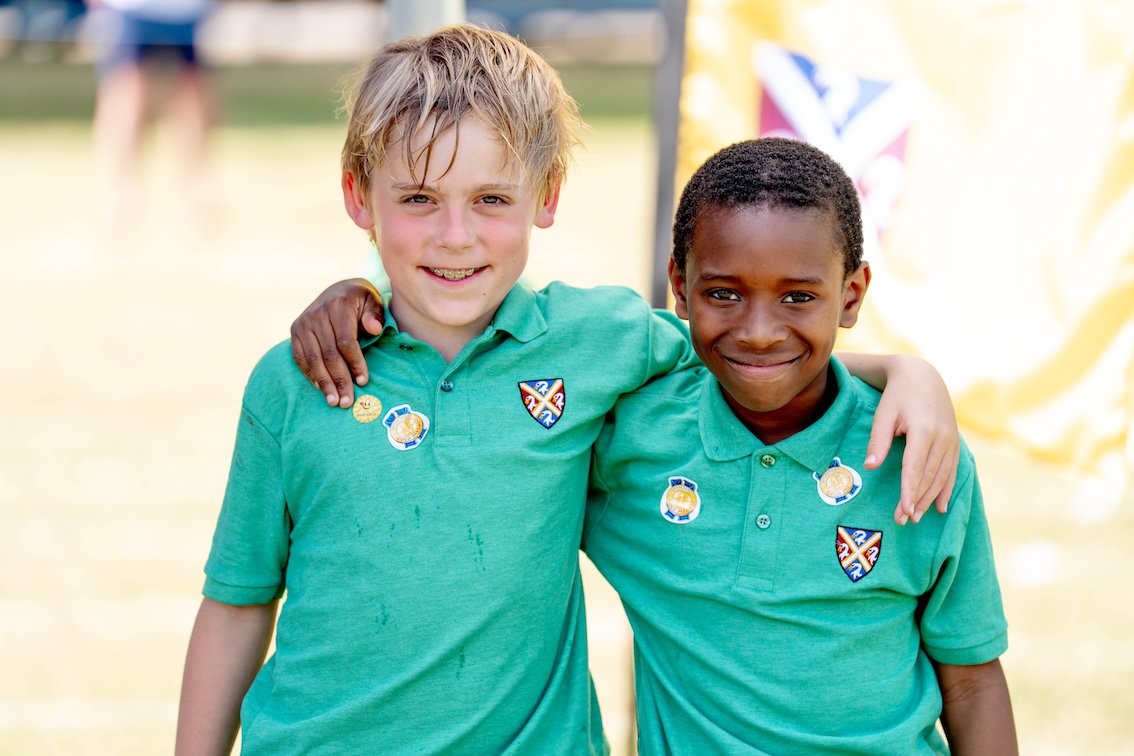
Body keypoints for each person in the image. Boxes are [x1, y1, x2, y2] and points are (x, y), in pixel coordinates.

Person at [178, 25, 959, 755]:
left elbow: (748, 352)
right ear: (359, 197)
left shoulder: (601, 341)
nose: (456, 235)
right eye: (417, 198)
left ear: (545, 196)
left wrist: (902, 371)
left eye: (491, 199)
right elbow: (238, 602)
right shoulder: (296, 380)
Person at [579, 137, 1016, 752]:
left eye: (798, 297)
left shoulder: (917, 450)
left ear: (852, 295)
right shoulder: (631, 445)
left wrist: (906, 371)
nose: (759, 333)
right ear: (679, 286)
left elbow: (971, 682)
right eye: (723, 293)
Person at [89, 0, 214, 235]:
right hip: (131, 7)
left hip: (185, 9)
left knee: (190, 95)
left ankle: (197, 193)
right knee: (125, 92)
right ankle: (120, 195)